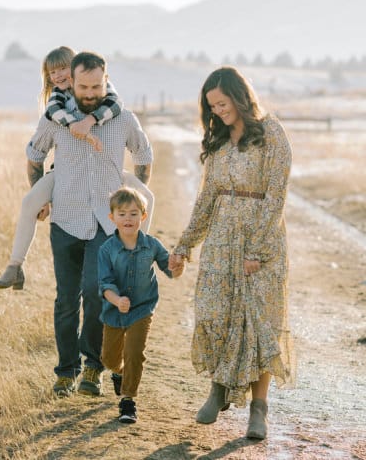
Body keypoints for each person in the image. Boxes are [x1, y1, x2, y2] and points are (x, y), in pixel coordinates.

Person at [169, 66, 295, 440]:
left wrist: (257, 248)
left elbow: (277, 195)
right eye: (212, 107)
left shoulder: (272, 133)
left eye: (222, 104)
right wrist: (185, 244)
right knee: (215, 312)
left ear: (240, 97)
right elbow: (207, 198)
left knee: (260, 325)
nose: (218, 111)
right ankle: (219, 389)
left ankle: (259, 410)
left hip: (263, 240)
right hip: (221, 239)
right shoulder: (219, 139)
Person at [25, 50, 153, 398]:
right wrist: (39, 198)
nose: (91, 92)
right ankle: (66, 372)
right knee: (66, 300)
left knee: (97, 295)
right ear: (73, 81)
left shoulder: (123, 118)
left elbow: (144, 154)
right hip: (65, 219)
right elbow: (34, 155)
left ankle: (93, 368)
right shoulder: (56, 118)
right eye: (84, 86)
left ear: (105, 80)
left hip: (105, 224)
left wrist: (137, 202)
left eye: (97, 85)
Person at [0, 46, 154, 290]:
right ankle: (15, 265)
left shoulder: (105, 94)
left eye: (63, 69)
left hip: (107, 170)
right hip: (65, 173)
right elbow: (51, 127)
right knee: (29, 203)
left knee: (147, 198)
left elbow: (116, 104)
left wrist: (89, 121)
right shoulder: (56, 101)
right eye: (51, 72)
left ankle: (137, 255)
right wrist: (44, 200)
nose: (58, 76)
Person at [98, 187, 183, 423]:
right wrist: (117, 300)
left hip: (142, 309)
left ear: (143, 217)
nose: (128, 219)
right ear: (112, 217)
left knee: (135, 352)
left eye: (134, 214)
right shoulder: (106, 249)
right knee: (110, 359)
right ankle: (119, 372)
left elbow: (170, 270)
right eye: (122, 214)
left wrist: (178, 265)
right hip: (114, 310)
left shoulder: (152, 245)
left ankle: (128, 401)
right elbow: (104, 283)